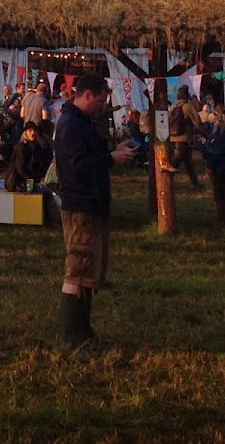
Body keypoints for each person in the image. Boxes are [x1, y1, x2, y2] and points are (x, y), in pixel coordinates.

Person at [54, 73, 136, 349]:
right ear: (86, 95)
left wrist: (113, 149)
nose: (103, 106)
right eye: (100, 100)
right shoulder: (69, 125)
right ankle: (71, 337)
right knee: (77, 268)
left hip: (93, 204)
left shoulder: (83, 123)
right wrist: (111, 159)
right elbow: (76, 165)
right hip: (81, 205)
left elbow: (91, 153)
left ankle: (84, 332)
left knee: (89, 270)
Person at [166, 84, 204, 187]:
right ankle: (165, 178)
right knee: (176, 161)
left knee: (188, 162)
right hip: (184, 137)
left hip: (173, 137)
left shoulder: (174, 106)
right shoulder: (187, 106)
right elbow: (197, 121)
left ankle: (195, 183)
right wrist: (204, 133)